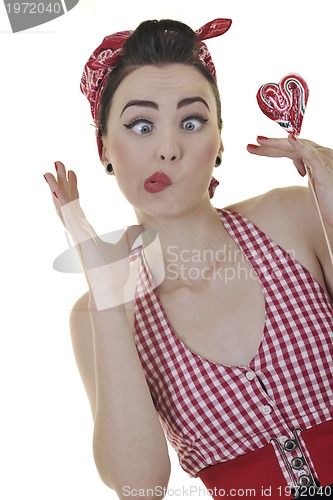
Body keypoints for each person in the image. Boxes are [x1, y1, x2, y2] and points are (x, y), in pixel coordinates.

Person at [44, 18, 333, 500]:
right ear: (104, 150)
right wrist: (110, 296)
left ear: (219, 141)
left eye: (192, 122)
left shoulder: (293, 216)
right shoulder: (95, 315)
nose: (168, 149)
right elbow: (142, 487)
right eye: (141, 125)